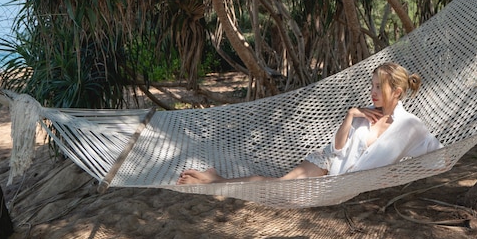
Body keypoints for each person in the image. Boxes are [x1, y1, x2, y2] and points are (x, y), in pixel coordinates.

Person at [177, 62, 442, 185]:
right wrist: (351, 115)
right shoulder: (366, 113)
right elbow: (338, 149)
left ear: (396, 91)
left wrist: (396, 174)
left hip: (345, 182)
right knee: (280, 185)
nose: (372, 92)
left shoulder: (410, 126)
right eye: (371, 85)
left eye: (378, 87)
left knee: (279, 189)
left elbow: (439, 157)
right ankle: (216, 180)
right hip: (328, 162)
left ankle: (215, 179)